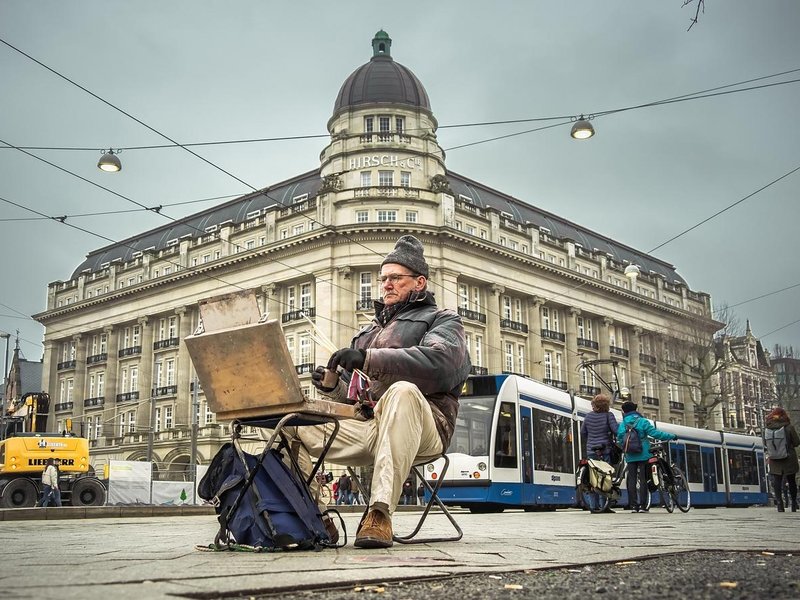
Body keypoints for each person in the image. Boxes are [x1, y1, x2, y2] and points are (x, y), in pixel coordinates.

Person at [303, 234, 471, 548]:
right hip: (370, 427)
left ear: (419, 282)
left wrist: (369, 359)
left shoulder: (442, 319)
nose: (386, 285)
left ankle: (379, 514)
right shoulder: (366, 333)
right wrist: (332, 387)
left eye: (395, 277)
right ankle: (314, 515)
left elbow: (442, 364)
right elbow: (353, 401)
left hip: (427, 426)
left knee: (403, 391)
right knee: (289, 423)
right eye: (383, 279)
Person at [616, 401, 676, 513]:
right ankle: (643, 506)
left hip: (630, 455)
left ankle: (633, 506)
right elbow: (656, 434)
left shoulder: (623, 424)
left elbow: (619, 438)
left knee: (632, 480)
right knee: (643, 479)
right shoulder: (642, 421)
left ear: (624, 411)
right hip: (644, 454)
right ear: (636, 410)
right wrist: (672, 436)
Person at [580, 394, 618, 513]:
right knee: (605, 477)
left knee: (593, 478)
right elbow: (615, 430)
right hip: (604, 449)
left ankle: (593, 506)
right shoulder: (609, 415)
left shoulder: (588, 416)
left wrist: (591, 440)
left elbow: (583, 432)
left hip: (591, 449)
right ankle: (604, 505)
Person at [764, 407, 799, 512]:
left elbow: (766, 444)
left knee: (777, 481)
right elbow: (797, 442)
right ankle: (793, 503)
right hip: (788, 457)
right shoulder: (789, 427)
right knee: (791, 481)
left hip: (774, 459)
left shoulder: (768, 428)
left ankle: (779, 504)